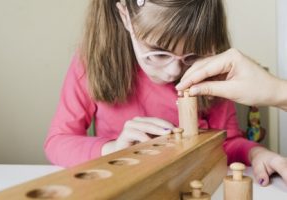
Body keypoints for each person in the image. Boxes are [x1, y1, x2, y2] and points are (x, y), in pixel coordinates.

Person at [44, 0, 287, 187]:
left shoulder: (213, 70)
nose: (174, 72)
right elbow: (57, 142)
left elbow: (227, 143)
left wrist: (255, 152)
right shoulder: (91, 63)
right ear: (125, 16)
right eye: (158, 53)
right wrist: (113, 149)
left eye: (191, 55)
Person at [176, 48, 287, 111]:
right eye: (161, 55)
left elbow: (233, 140)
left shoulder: (222, 95)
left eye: (191, 57)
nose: (174, 71)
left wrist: (276, 91)